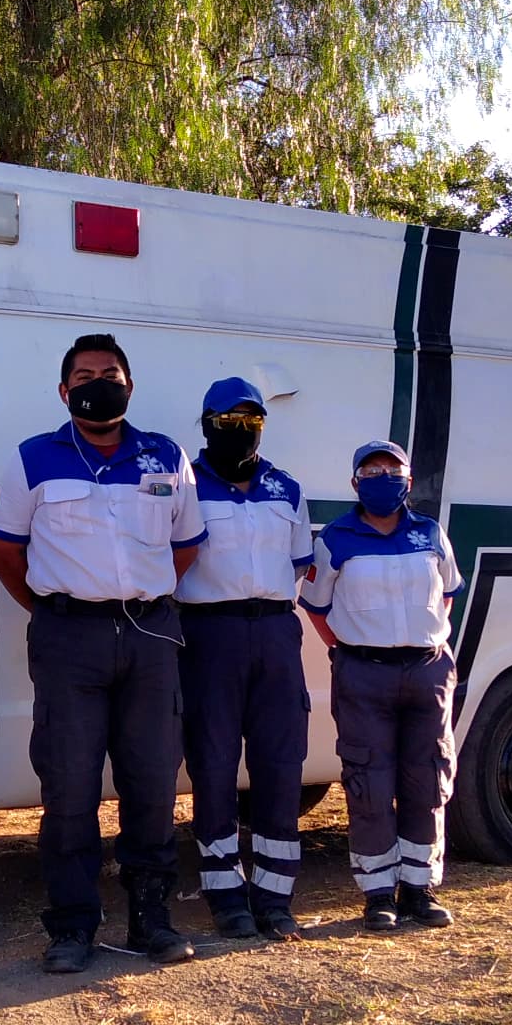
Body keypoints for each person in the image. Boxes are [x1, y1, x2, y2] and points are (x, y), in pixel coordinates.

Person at [0, 333, 206, 973]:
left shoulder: (166, 456)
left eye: (110, 374)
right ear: (64, 391)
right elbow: (3, 551)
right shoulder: (33, 458)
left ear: (129, 386)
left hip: (150, 636)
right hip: (68, 640)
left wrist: (138, 597)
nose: (98, 383)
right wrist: (56, 610)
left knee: (153, 782)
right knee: (70, 785)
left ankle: (151, 919)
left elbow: (185, 546)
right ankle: (72, 926)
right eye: (84, 376)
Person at [299, 440, 461, 933]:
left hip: (427, 670)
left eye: (392, 470)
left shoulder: (430, 533)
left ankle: (419, 889)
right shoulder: (336, 538)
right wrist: (352, 650)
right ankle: (377, 895)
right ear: (355, 482)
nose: (382, 477)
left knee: (426, 779)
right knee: (369, 783)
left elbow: (447, 595)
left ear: (408, 480)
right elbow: (317, 607)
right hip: (364, 673)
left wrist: (418, 639)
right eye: (371, 471)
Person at [174, 377, 314, 941]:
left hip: (276, 633)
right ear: (208, 424)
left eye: (252, 419)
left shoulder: (287, 488)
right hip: (209, 635)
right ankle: (225, 895)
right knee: (213, 766)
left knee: (281, 765)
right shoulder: (185, 486)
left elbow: (299, 563)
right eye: (229, 419)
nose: (242, 428)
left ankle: (275, 897)